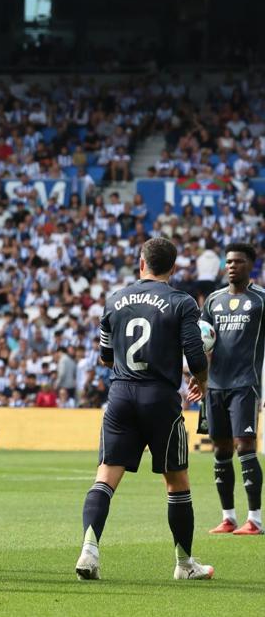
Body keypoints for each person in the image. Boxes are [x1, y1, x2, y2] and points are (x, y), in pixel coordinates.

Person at [75, 237, 213, 581]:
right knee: (177, 481)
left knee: (106, 476)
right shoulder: (182, 302)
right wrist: (202, 381)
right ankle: (184, 565)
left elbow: (105, 357)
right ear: (174, 266)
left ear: (141, 263)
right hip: (159, 398)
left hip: (121, 395)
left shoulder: (115, 299)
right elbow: (195, 355)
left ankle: (89, 552)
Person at [200, 243, 265, 535]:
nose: (231, 266)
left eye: (237, 262)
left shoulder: (261, 300)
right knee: (221, 448)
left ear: (250, 265)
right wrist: (197, 374)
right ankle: (228, 517)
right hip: (214, 385)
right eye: (228, 262)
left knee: (245, 446)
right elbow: (201, 341)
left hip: (245, 384)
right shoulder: (213, 301)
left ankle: (255, 518)